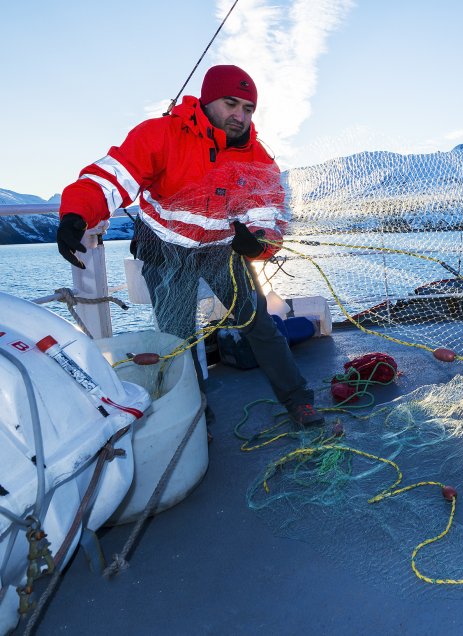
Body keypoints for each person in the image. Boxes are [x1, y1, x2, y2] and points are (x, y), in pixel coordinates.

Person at [55, 64, 325, 427]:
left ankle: (298, 401)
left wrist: (256, 243)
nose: (239, 115)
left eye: (248, 109)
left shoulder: (257, 156)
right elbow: (112, 177)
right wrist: (76, 213)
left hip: (221, 250)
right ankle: (197, 417)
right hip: (165, 249)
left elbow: (270, 214)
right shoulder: (160, 134)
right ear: (208, 100)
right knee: (177, 339)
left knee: (258, 324)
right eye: (231, 103)